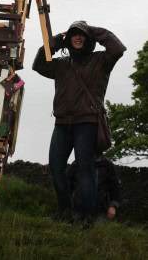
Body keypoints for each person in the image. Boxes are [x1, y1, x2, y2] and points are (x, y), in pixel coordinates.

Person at [32, 21, 126, 222]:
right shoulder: (60, 65)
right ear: (69, 39)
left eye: (82, 35)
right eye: (74, 34)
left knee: (86, 170)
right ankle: (65, 212)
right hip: (62, 123)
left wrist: (92, 30)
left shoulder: (101, 60)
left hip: (87, 122)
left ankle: (87, 217)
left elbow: (117, 48)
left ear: (88, 39)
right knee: (56, 168)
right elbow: (38, 64)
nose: (78, 37)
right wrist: (58, 39)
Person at [67, 155, 121, 221]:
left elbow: (115, 187)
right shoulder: (77, 163)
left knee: (99, 230)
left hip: (100, 211)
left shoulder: (107, 164)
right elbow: (68, 185)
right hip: (78, 210)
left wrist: (113, 206)